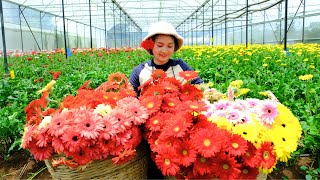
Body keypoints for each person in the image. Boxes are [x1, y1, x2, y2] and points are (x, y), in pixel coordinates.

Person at [129, 21, 203, 96]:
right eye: (160, 45)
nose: (164, 51)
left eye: (169, 46)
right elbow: (130, 98)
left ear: (174, 47)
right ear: (150, 45)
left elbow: (200, 85)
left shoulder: (181, 66)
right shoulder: (139, 71)